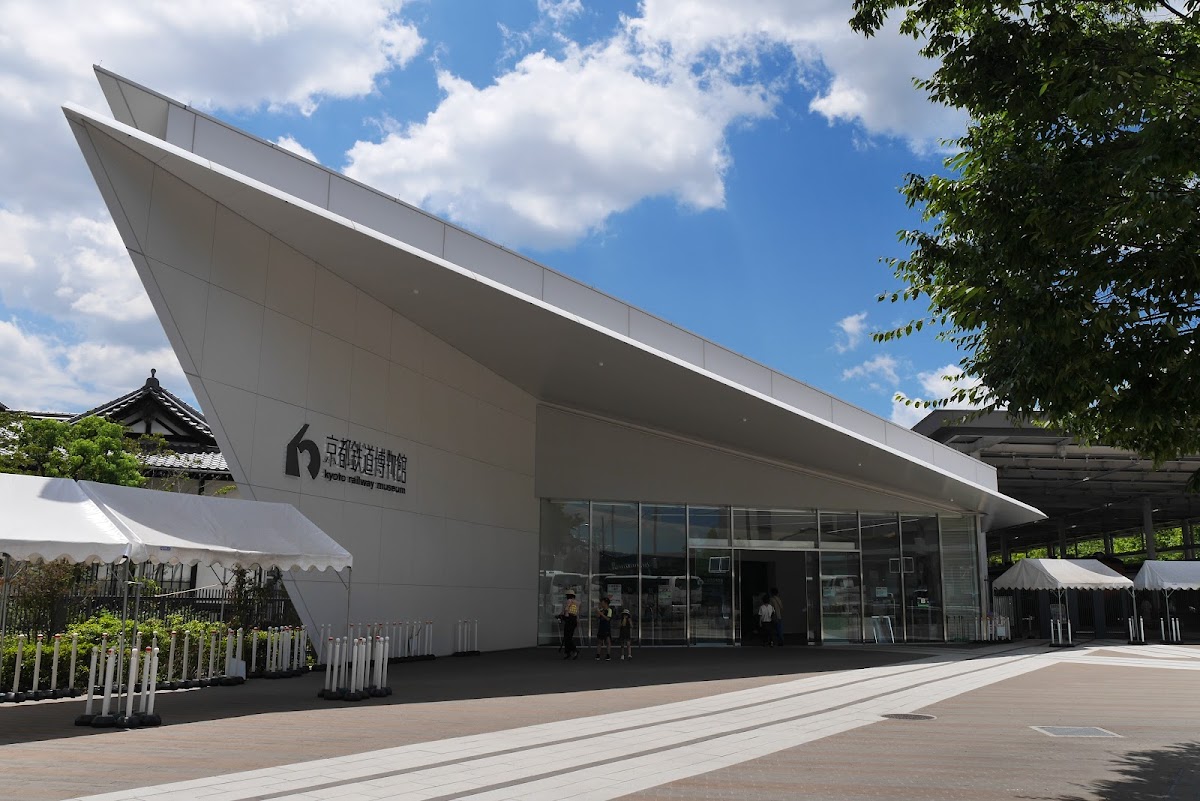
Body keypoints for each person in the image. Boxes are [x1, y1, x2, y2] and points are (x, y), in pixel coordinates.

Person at [559, 591, 580, 659]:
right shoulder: (577, 602)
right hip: (574, 620)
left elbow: (566, 609)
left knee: (567, 636)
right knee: (569, 636)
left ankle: (572, 650)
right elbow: (577, 612)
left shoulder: (569, 601)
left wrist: (562, 615)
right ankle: (569, 652)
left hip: (569, 619)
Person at [595, 597, 613, 661]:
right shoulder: (601, 610)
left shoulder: (609, 610)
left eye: (602, 602)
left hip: (606, 627)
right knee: (599, 641)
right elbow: (598, 616)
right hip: (601, 626)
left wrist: (601, 614)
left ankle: (608, 655)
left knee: (608, 641)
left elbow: (608, 619)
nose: (601, 603)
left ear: (606, 603)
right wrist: (598, 612)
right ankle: (598, 655)